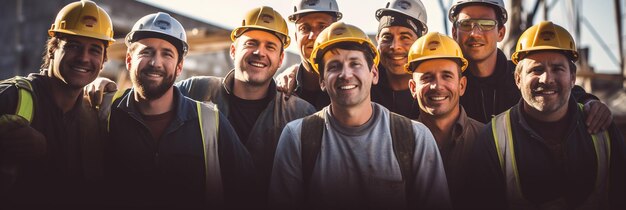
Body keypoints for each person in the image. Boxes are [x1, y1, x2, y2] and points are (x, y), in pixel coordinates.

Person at [269, 22, 451, 209]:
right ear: (322, 81)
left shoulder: (415, 137)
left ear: (374, 73)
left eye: (355, 64)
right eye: (334, 67)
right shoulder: (297, 137)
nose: (345, 74)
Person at [466, 21, 626, 209]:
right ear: (518, 78)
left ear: (573, 78)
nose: (547, 79)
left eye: (557, 69)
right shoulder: (492, 138)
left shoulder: (603, 129)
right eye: (536, 69)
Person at [105, 12, 255, 209]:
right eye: (146, 51)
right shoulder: (104, 112)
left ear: (179, 67)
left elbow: (250, 192)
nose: (155, 63)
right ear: (129, 60)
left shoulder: (211, 124)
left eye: (167, 54)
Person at [175, 6, 315, 201]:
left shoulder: (300, 113)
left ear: (281, 58)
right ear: (233, 50)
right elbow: (147, 100)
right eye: (251, 43)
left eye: (270, 47)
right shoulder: (195, 91)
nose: (259, 52)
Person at [0, 1, 113, 207]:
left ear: (103, 60)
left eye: (95, 50)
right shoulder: (12, 96)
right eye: (73, 46)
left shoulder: (92, 117)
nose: (84, 58)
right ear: (52, 49)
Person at [449, 0, 612, 133]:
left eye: (486, 24)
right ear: (454, 33)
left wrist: (589, 102)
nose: (475, 33)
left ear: (501, 33)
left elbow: (557, 87)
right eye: (466, 24)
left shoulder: (521, 77)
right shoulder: (447, 85)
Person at [406, 32, 484, 208]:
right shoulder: (399, 140)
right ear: (412, 87)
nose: (437, 86)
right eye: (427, 77)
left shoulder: (488, 139)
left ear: (461, 85)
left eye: (447, 76)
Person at [275, 0, 342, 110]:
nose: (313, 36)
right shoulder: (280, 89)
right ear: (296, 37)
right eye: (304, 28)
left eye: (322, 27)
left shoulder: (353, 84)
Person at [371, 0, 428, 119]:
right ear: (377, 40)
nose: (395, 46)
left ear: (420, 41)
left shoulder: (434, 85)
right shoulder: (364, 85)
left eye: (405, 37)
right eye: (387, 37)